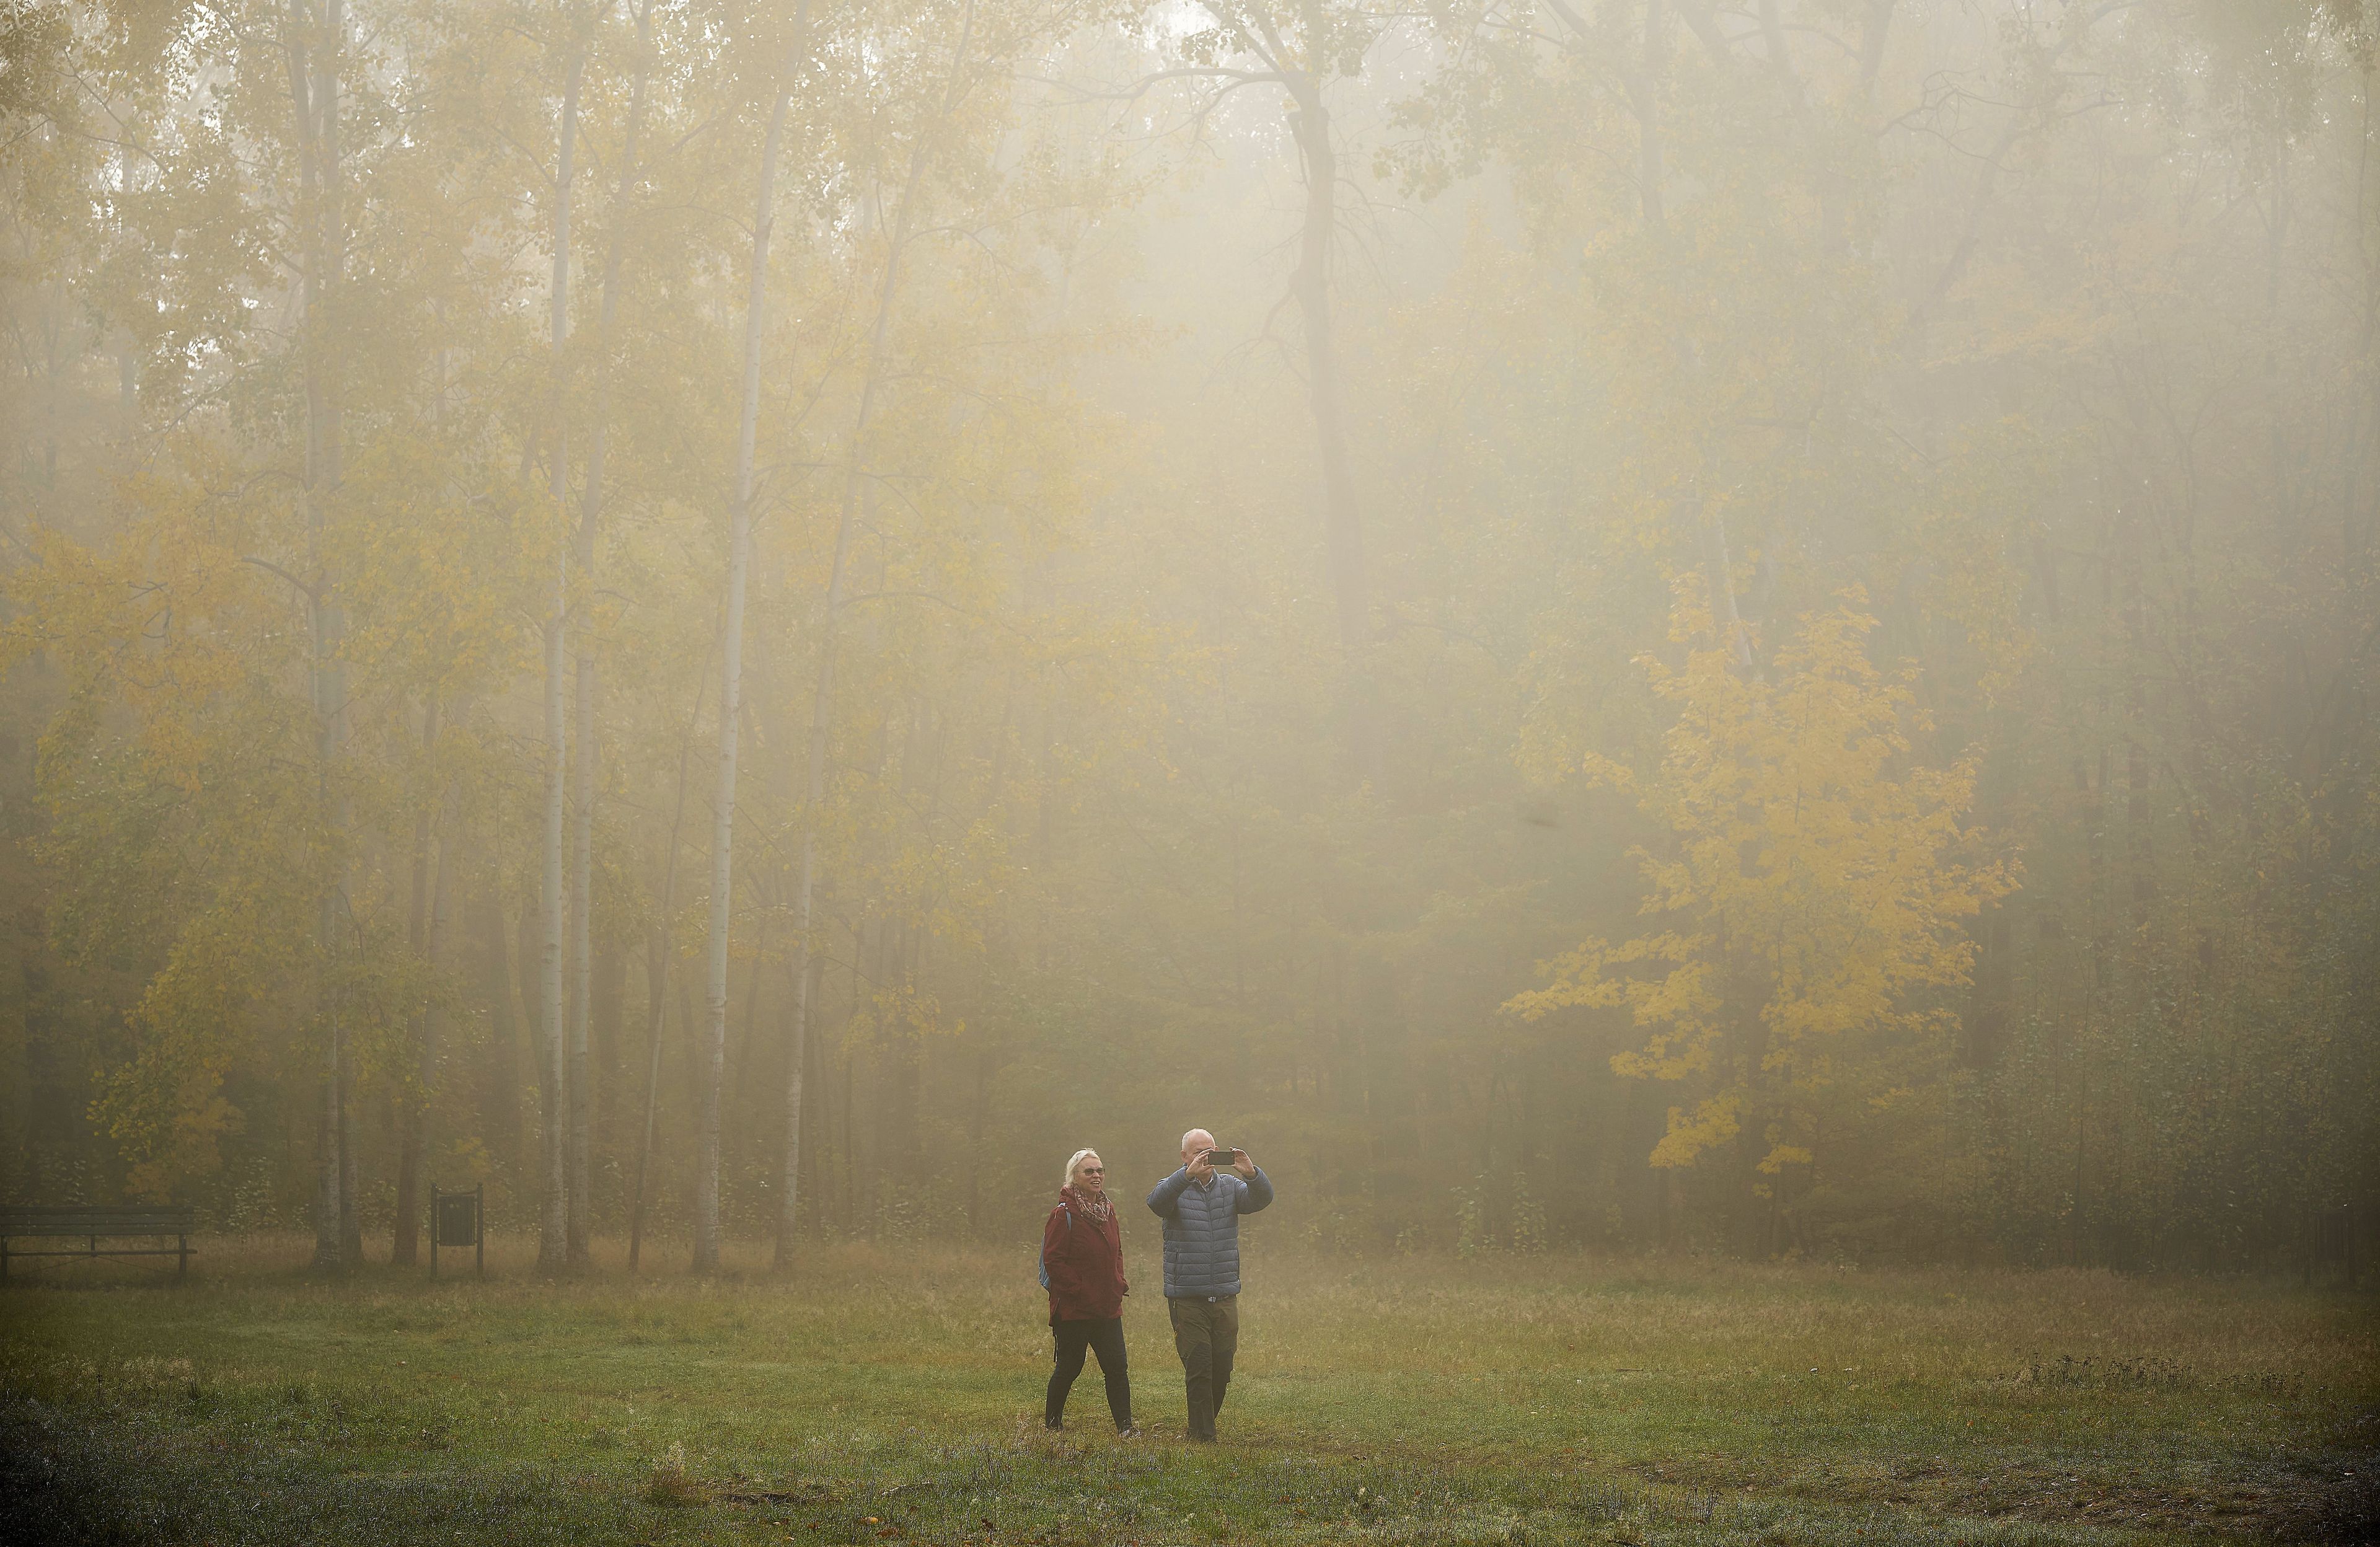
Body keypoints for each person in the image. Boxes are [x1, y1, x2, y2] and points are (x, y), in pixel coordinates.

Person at [1145, 1128, 1274, 1442]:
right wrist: (1185, 1176)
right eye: (1199, 1152)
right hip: (1187, 1296)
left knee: (1222, 1368)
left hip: (1225, 1293)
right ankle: (1203, 1436)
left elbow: (1261, 1200)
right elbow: (1156, 1204)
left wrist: (1253, 1174)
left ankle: (1200, 1427)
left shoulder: (1230, 1186)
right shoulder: (1173, 1188)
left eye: (1211, 1151)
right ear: (1185, 1157)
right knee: (1199, 1366)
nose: (1206, 1157)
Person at [1041, 1147, 1137, 1435]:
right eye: (1089, 1171)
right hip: (1074, 1309)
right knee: (1070, 1368)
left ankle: (1126, 1428)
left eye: (1100, 1171)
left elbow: (1116, 1252)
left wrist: (1118, 1282)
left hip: (1107, 1306)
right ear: (1075, 1177)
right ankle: (1053, 1425)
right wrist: (1079, 1290)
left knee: (1117, 1367)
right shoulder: (1063, 1214)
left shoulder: (1108, 1212)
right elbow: (1053, 1260)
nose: (1097, 1176)